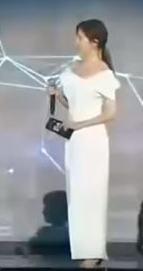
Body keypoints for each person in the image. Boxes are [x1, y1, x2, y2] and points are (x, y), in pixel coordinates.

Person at [48, 19, 119, 269]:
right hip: (75, 140)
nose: (76, 42)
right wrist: (58, 96)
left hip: (93, 140)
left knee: (92, 194)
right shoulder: (72, 69)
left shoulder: (104, 73)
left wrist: (80, 124)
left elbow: (110, 113)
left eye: (80, 37)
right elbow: (74, 105)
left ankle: (94, 252)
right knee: (77, 195)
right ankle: (82, 249)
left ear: (94, 41)